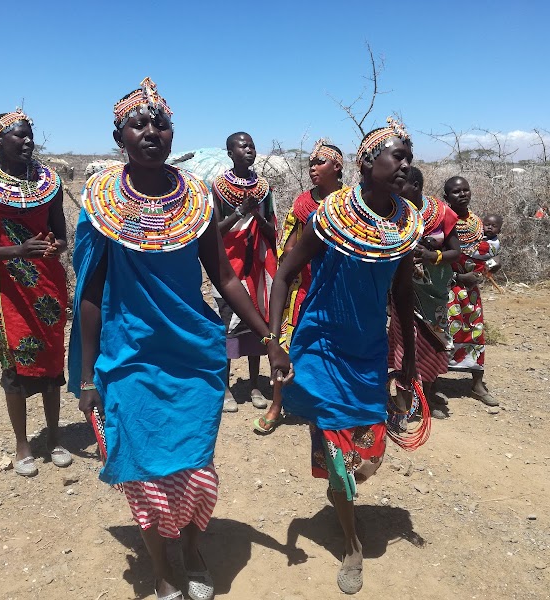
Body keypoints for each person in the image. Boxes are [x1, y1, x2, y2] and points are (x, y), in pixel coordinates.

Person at [69, 78, 290, 600]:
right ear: (119, 135)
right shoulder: (100, 202)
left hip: (194, 355)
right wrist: (85, 376)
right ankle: (162, 567)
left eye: (161, 123)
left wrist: (269, 337)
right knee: (143, 471)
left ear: (173, 134)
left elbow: (226, 278)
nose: (151, 131)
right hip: (130, 357)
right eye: (138, 124)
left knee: (195, 466)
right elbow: (91, 295)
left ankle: (192, 548)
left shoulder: (196, 197)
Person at [268, 118, 422, 595]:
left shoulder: (405, 223)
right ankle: (352, 544)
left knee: (369, 454)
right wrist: (275, 341)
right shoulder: (331, 216)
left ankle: (345, 496)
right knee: (338, 454)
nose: (404, 165)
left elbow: (402, 293)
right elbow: (285, 272)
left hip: (369, 351)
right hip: (324, 347)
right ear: (367, 163)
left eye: (407, 158)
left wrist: (410, 359)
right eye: (395, 156)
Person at [0, 109, 71, 477]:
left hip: (47, 284)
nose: (28, 141)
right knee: (14, 365)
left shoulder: (49, 183)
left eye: (30, 135)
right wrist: (17, 251)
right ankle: (22, 443)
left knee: (54, 361)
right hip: (6, 288)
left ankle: (55, 437)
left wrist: (53, 247)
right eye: (18, 136)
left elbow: (61, 237)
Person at [254, 139, 347, 434]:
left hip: (337, 289)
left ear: (337, 166)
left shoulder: (351, 203)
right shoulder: (303, 204)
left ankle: (330, 406)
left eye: (319, 162)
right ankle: (277, 404)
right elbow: (291, 245)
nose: (312, 168)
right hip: (303, 286)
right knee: (285, 342)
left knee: (335, 348)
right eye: (310, 163)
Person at [388, 166, 461, 419]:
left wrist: (433, 255)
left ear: (416, 186)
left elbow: (456, 251)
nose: (395, 190)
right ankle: (404, 402)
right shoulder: (394, 212)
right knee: (405, 347)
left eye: (401, 185)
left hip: (435, 293)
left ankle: (426, 398)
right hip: (403, 292)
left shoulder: (442, 213)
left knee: (432, 344)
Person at [212, 132, 278, 413]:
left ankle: (254, 385)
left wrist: (257, 214)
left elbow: (271, 230)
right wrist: (240, 211)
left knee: (257, 325)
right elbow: (215, 231)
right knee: (227, 326)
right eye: (242, 146)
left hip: (256, 268)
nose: (249, 149)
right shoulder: (218, 187)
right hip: (229, 266)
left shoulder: (263, 189)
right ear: (230, 152)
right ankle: (225, 387)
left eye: (251, 145)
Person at [444, 176, 498, 406]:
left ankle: (477, 383)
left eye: (466, 190)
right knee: (443, 335)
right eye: (456, 192)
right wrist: (456, 276)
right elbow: (433, 259)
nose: (463, 194)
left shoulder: (477, 222)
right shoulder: (441, 222)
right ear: (446, 197)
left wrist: (488, 267)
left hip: (471, 290)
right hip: (446, 288)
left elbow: (485, 255)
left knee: (475, 332)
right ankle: (432, 386)